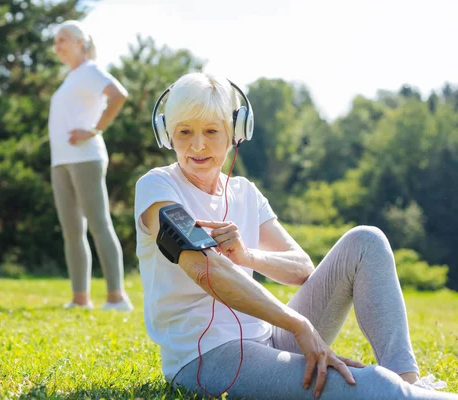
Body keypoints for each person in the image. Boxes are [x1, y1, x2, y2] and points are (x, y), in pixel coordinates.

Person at [134, 72, 458, 399]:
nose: (198, 144)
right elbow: (206, 269)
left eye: (211, 131)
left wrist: (248, 257)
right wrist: (300, 326)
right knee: (369, 386)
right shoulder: (157, 189)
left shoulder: (245, 192)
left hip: (270, 339)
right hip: (207, 358)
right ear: (167, 134)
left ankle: (409, 382)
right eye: (185, 132)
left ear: (236, 132)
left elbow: (301, 268)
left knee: (366, 241)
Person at [48, 20, 132, 311]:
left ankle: (116, 297)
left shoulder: (89, 71)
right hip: (61, 161)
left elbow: (118, 95)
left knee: (99, 225)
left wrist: (94, 130)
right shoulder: (71, 77)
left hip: (86, 158)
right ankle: (80, 299)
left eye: (62, 40)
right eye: (55, 41)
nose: (56, 46)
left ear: (80, 43)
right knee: (72, 231)